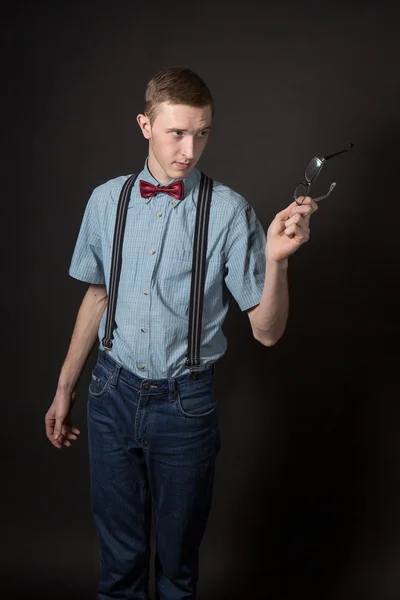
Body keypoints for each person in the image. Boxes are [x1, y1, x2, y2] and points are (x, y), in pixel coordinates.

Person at [45, 66, 318, 600]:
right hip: (110, 395)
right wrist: (64, 388)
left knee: (177, 569)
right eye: (176, 132)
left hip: (185, 405)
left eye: (202, 132)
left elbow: (266, 332)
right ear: (145, 125)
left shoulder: (230, 212)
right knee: (119, 566)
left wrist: (276, 261)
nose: (190, 149)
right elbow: (97, 296)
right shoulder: (106, 201)